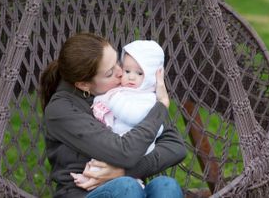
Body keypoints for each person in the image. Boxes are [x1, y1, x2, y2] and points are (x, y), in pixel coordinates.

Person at [40, 33, 187, 198]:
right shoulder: (61, 110)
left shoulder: (125, 92)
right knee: (126, 187)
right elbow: (124, 152)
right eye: (109, 73)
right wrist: (161, 106)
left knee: (166, 186)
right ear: (84, 84)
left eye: (118, 62)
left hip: (132, 187)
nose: (120, 72)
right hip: (82, 194)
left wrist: (125, 171)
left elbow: (176, 146)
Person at [71, 40, 166, 185]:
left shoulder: (148, 98)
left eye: (139, 73)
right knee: (102, 159)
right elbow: (102, 99)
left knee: (117, 165)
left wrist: (113, 99)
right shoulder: (124, 91)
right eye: (127, 71)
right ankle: (91, 176)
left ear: (152, 76)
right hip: (118, 142)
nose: (130, 77)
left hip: (138, 147)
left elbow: (134, 116)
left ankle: (130, 183)